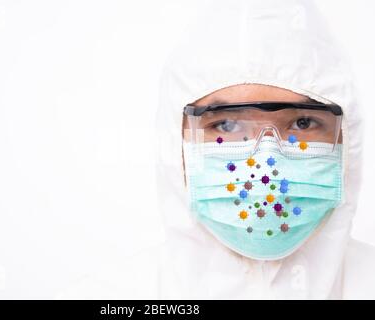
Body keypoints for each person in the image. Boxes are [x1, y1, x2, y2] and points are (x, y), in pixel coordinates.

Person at [59, 0, 375, 299]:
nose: (267, 163)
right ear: (176, 142)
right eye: (225, 126)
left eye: (303, 123)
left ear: (348, 139)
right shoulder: (110, 296)